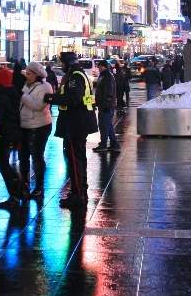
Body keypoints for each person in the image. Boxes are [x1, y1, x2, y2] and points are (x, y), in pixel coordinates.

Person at [44, 51, 98, 208]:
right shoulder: (78, 74)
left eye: (62, 63)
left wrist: (50, 98)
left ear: (67, 63)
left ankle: (77, 194)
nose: (61, 65)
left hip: (76, 123)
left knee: (74, 159)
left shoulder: (75, 77)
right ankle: (80, 188)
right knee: (79, 157)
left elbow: (72, 99)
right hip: (80, 122)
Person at [0, 69, 22, 210]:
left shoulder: (0, 97)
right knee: (6, 164)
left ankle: (13, 196)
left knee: (3, 164)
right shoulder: (13, 93)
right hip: (13, 132)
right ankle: (17, 191)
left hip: (4, 134)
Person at [19, 62, 53, 199]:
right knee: (23, 156)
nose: (27, 76)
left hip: (40, 125)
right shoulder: (27, 86)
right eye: (26, 74)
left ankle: (39, 186)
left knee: (37, 155)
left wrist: (21, 95)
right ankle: (25, 184)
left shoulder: (46, 87)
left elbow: (38, 105)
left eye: (29, 74)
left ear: (36, 74)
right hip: (24, 124)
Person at [93, 60, 120, 153]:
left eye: (100, 66)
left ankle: (103, 144)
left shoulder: (107, 76)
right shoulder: (104, 75)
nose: (99, 68)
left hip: (106, 106)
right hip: (105, 105)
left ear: (104, 66)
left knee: (104, 125)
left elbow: (109, 92)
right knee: (107, 125)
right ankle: (114, 144)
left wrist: (106, 104)